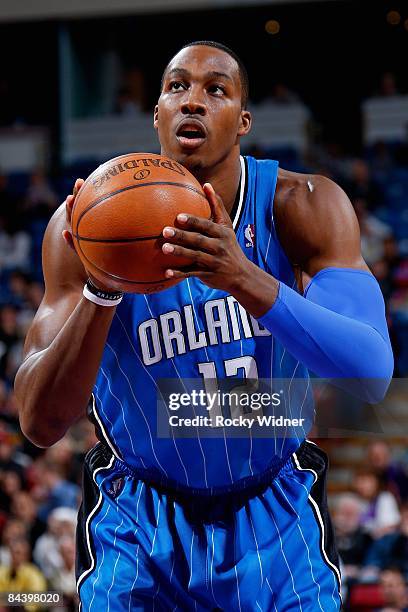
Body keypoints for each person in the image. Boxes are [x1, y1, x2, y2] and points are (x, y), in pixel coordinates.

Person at [14, 41, 393, 611]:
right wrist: (101, 290)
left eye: (215, 89)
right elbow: (40, 423)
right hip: (138, 516)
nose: (193, 100)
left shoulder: (300, 205)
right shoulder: (85, 225)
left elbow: (372, 372)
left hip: (274, 506)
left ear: (242, 120)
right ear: (157, 113)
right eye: (176, 87)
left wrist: (245, 278)